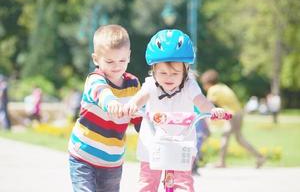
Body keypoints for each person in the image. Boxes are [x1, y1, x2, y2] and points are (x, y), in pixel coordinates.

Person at [123, 29, 226, 192]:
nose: (168, 77)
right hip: (153, 143)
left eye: (175, 73)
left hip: (182, 143)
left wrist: (213, 110)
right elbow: (140, 97)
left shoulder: (190, 86)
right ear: (154, 70)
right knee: (147, 183)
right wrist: (131, 106)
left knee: (183, 184)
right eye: (163, 72)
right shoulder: (151, 85)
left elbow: (201, 102)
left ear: (186, 70)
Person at [68, 24, 142, 192]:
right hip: (83, 156)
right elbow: (102, 93)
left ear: (129, 56)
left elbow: (140, 117)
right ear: (96, 59)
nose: (116, 66)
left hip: (112, 160)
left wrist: (151, 129)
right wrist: (112, 103)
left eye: (122, 60)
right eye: (109, 61)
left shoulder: (133, 84)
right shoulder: (95, 79)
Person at [200, 69, 266, 168]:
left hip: (232, 115)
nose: (204, 87)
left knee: (227, 136)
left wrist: (205, 121)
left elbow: (206, 105)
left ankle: (222, 162)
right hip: (238, 113)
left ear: (207, 83)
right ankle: (259, 157)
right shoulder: (222, 86)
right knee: (238, 138)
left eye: (203, 84)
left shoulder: (213, 90)